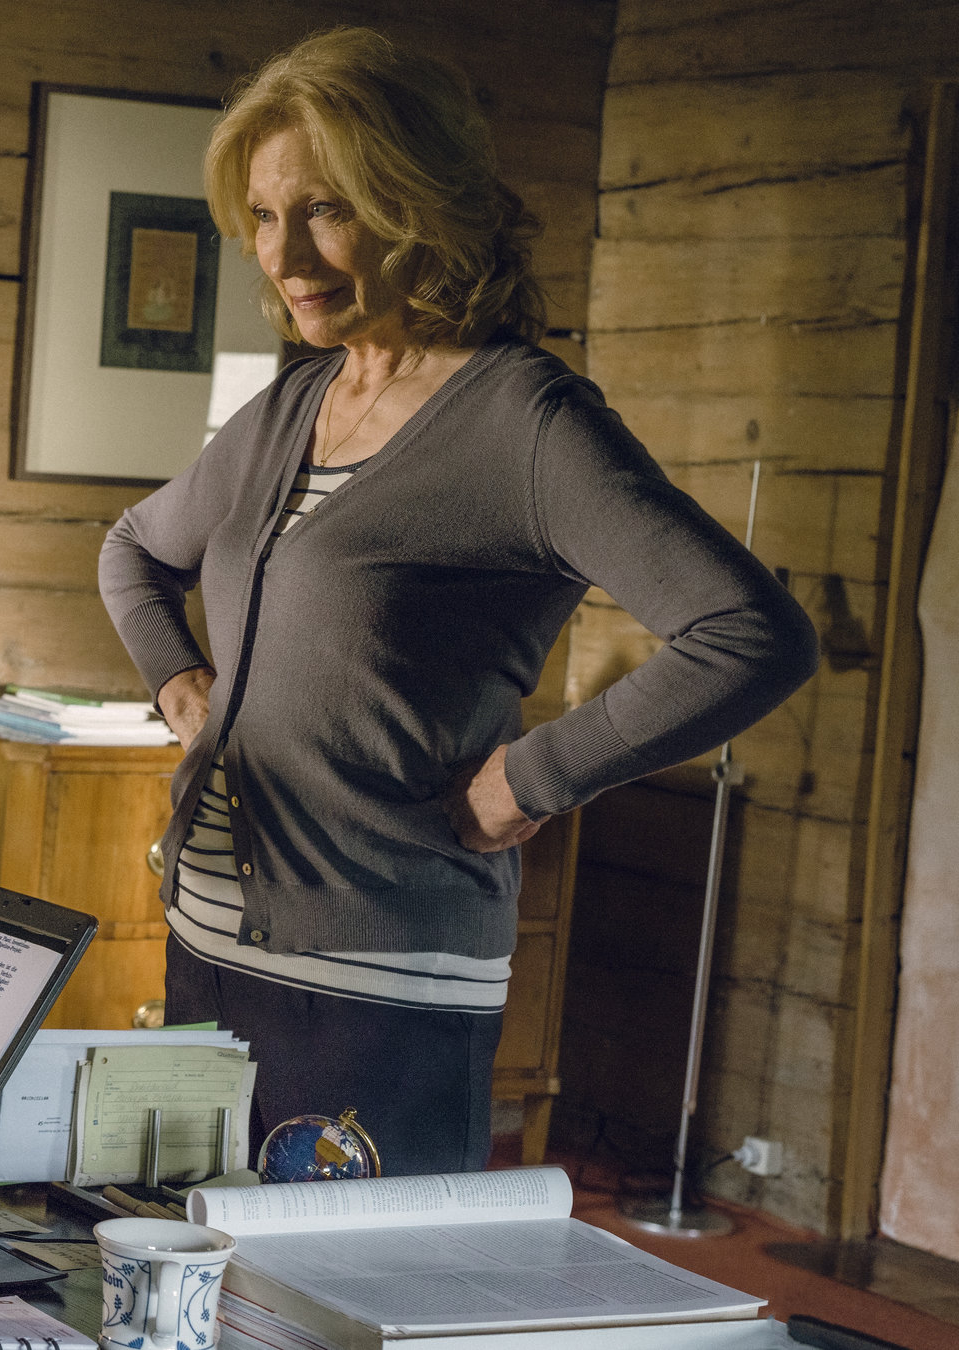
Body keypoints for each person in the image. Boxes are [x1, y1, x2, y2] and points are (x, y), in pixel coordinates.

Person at [99, 28, 819, 1176]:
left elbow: (750, 636)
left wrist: (530, 779)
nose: (287, 256)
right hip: (209, 944)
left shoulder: (526, 424)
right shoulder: (294, 409)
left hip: (380, 982)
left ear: (418, 202)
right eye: (265, 220)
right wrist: (183, 688)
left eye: (326, 210)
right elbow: (133, 550)